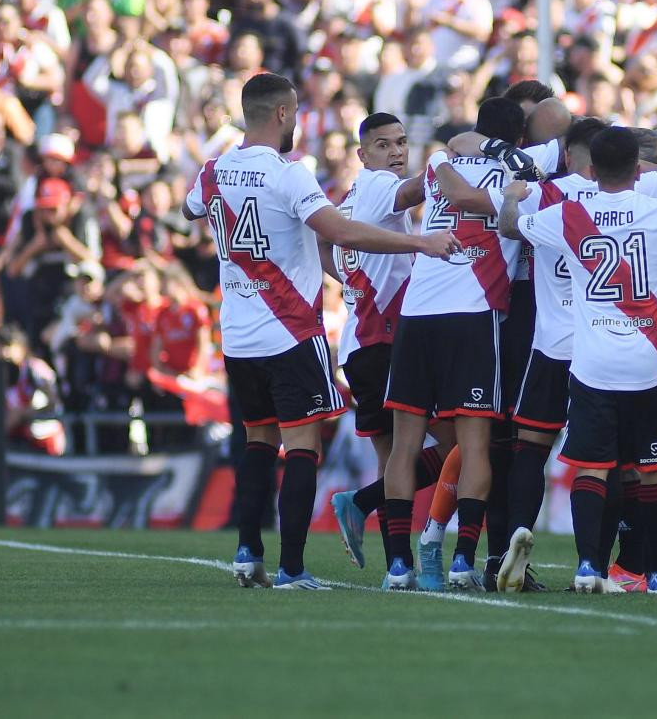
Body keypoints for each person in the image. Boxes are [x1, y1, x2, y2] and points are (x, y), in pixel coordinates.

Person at [182, 72, 459, 591]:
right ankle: (291, 567)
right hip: (289, 328)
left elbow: (188, 208)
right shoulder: (290, 173)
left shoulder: (213, 170)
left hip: (238, 332)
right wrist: (422, 245)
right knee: (303, 447)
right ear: (284, 115)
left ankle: (247, 553)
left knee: (257, 441)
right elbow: (337, 231)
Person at [440, 118, 657, 592]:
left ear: (570, 156)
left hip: (554, 344)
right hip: (614, 344)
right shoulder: (646, 189)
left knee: (531, 449)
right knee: (626, 465)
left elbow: (503, 220)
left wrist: (509, 189)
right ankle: (604, 563)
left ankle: (509, 544)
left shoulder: (549, 196)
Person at [498, 126, 657, 594]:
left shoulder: (568, 215)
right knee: (655, 471)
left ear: (591, 172)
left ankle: (588, 568)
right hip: (652, 361)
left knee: (591, 468)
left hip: (591, 361)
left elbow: (510, 225)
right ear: (640, 170)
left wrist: (514, 196)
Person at [380, 97, 526, 592]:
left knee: (404, 443)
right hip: (473, 314)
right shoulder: (517, 179)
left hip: (418, 312)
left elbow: (446, 184)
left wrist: (442, 156)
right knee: (474, 444)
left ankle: (398, 565)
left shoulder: (443, 167)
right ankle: (463, 558)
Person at [326, 113, 454, 579]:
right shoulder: (379, 185)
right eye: (383, 145)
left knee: (392, 458)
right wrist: (449, 162)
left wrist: (349, 282)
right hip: (386, 340)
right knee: (458, 443)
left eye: (401, 142)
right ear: (363, 156)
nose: (396, 152)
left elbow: (324, 244)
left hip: (359, 343)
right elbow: (411, 191)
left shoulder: (345, 202)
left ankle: (397, 565)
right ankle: (362, 506)